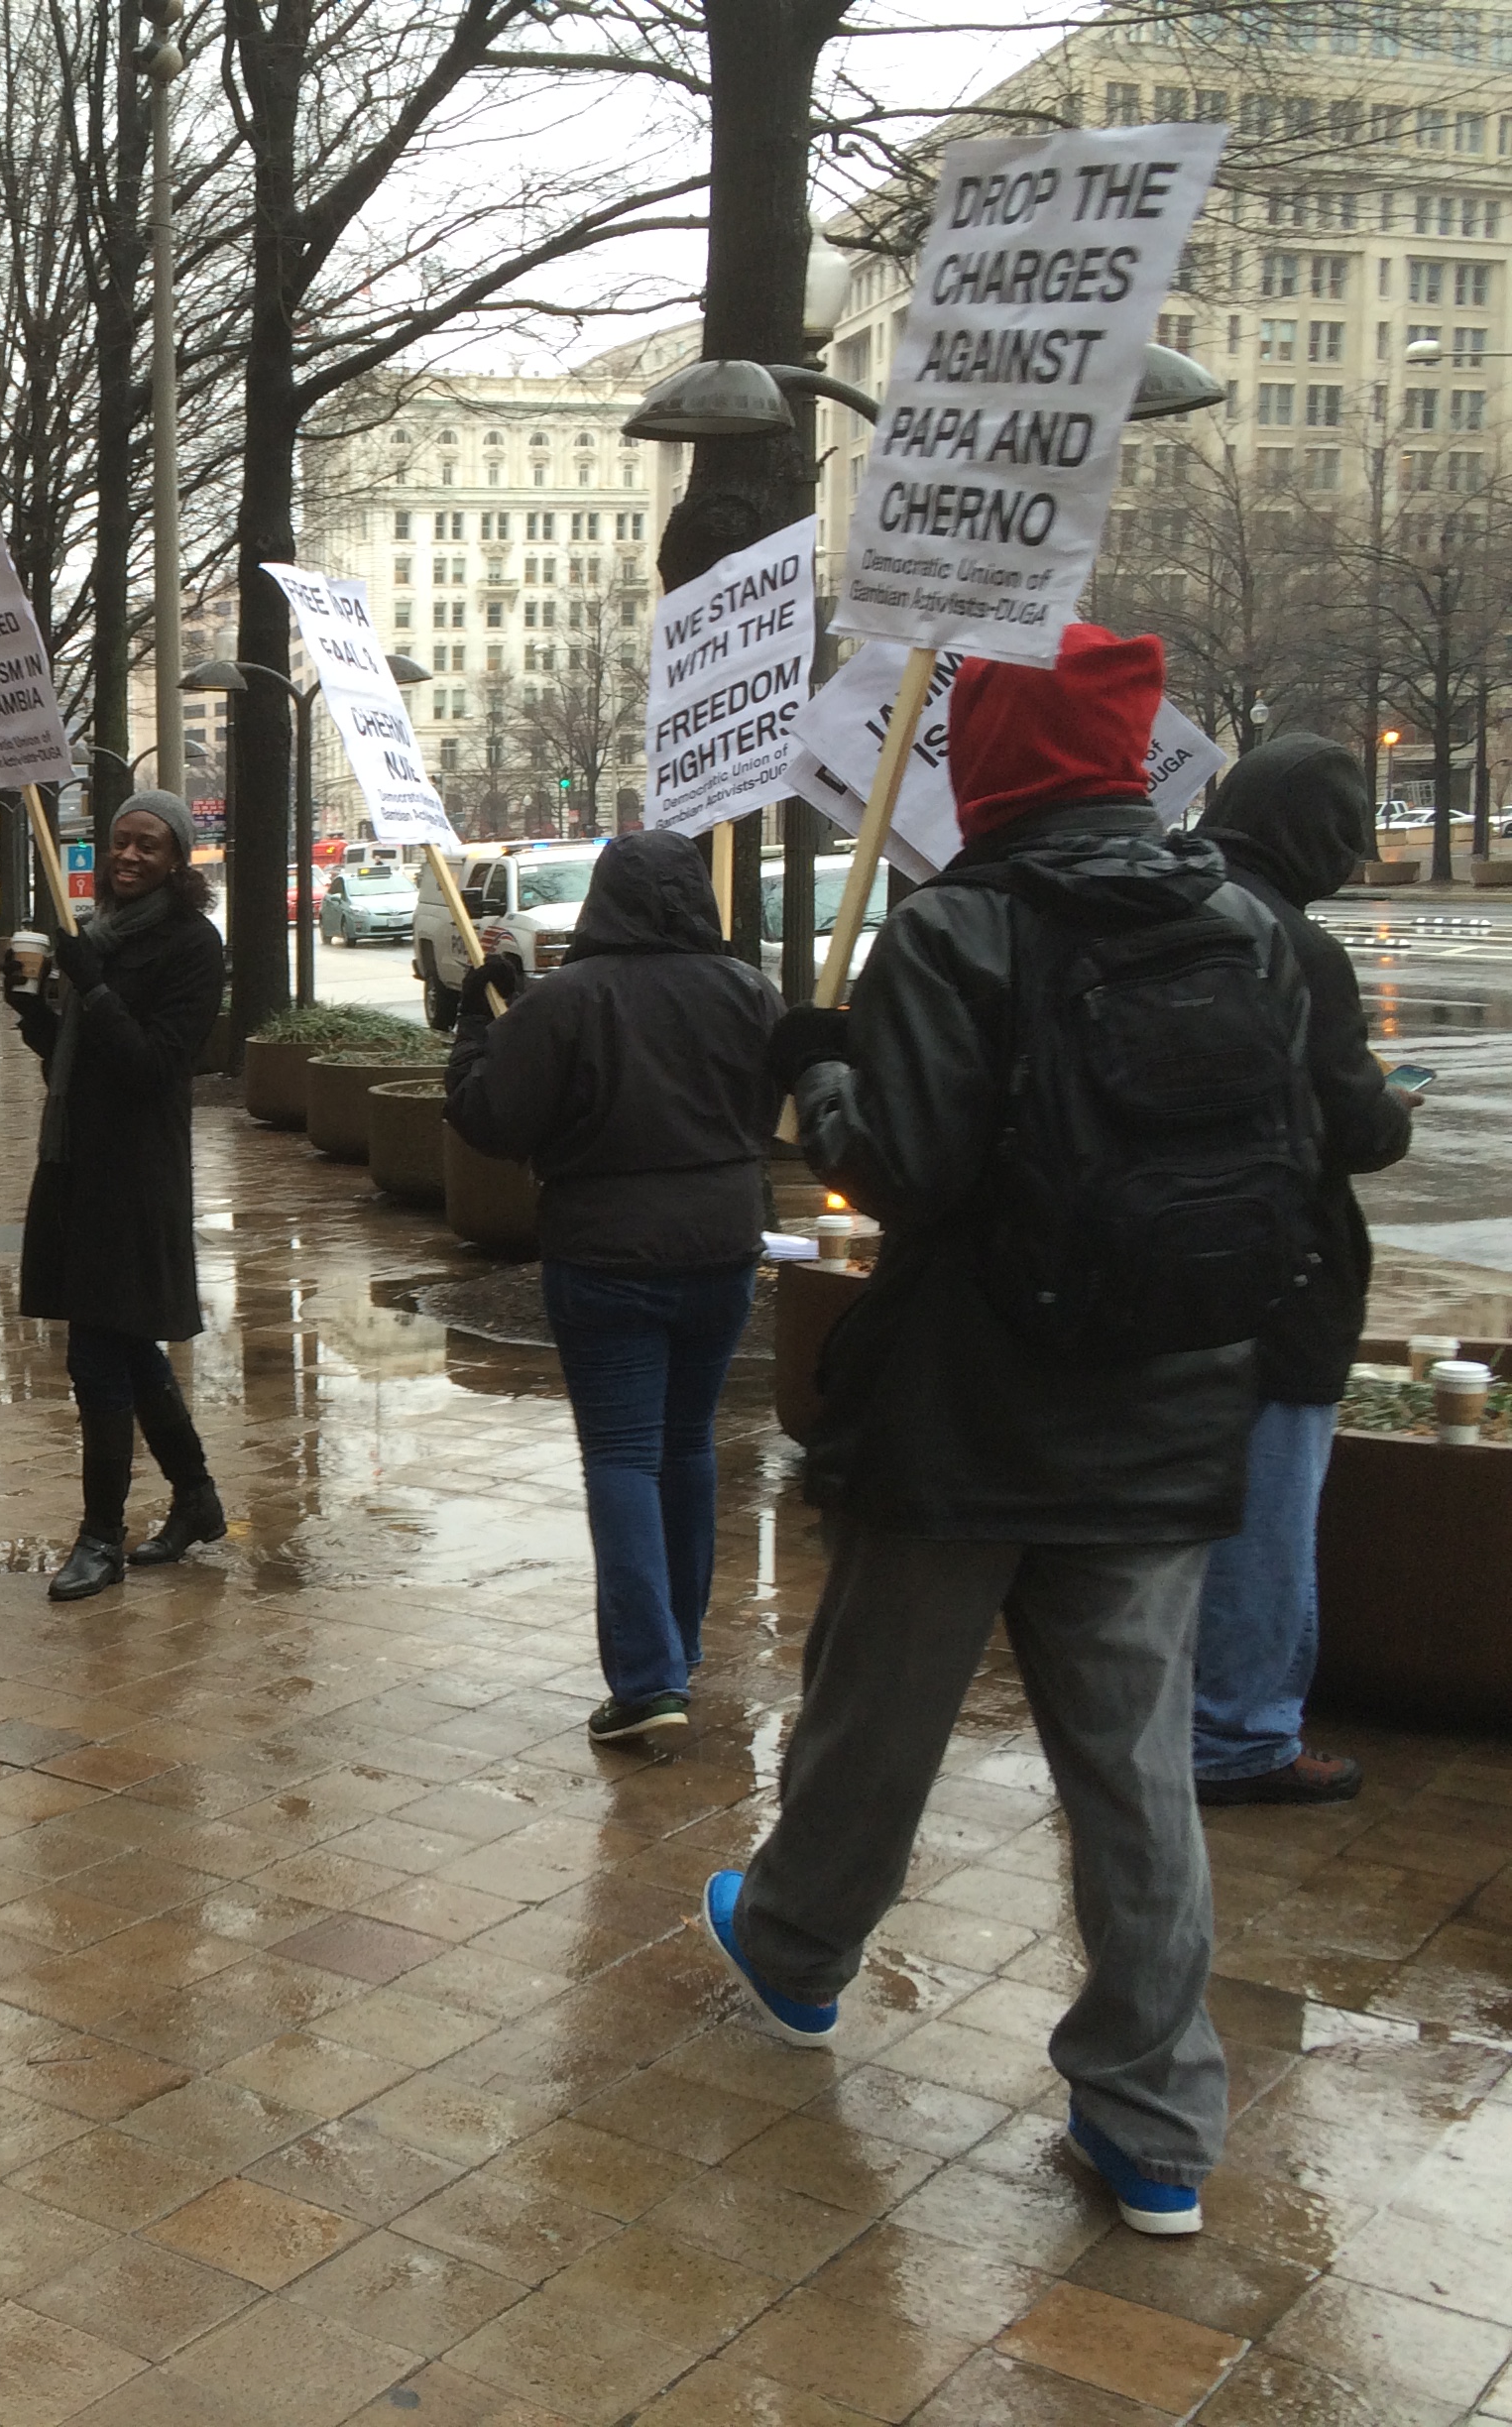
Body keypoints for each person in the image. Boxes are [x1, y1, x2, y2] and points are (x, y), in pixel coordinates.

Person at [711, 624, 1307, 2242]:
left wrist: (815, 1073)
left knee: (873, 1715)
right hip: (1167, 1410)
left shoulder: (953, 928)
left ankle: (789, 1946)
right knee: (1132, 1774)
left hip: (971, 1412)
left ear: (986, 761)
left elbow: (894, 1165)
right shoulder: (1240, 919)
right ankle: (1152, 2125)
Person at [444, 830, 783, 1742]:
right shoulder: (751, 990)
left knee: (624, 1456)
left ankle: (646, 1683)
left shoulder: (571, 1002)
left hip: (606, 1256)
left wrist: (479, 1029)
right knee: (687, 1444)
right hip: (722, 1247)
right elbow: (774, 1111)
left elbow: (492, 1119)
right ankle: (678, 1644)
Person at [1189, 738, 1414, 1804]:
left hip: (1176, 1266)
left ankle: (1176, 1716)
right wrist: (1387, 1107)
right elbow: (1351, 1125)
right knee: (1268, 1522)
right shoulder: (1296, 946)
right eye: (1346, 841)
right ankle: (1242, 1734)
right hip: (1284, 1270)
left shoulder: (1176, 906)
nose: (1354, 864)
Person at [7, 789, 227, 1602]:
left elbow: (151, 1066)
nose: (129, 857)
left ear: (178, 861)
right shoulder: (95, 934)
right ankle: (197, 1497)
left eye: (149, 846)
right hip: (74, 1164)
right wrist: (37, 1014)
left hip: (136, 1175)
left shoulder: (193, 946)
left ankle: (101, 1535)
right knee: (126, 1344)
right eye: (119, 843)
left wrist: (92, 990)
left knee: (99, 1354)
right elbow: (78, 1061)